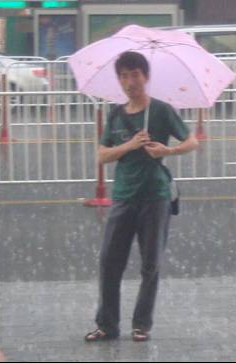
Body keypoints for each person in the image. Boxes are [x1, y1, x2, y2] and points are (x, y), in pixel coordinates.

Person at [84, 51, 201, 343]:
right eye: (123, 76)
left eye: (135, 74)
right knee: (110, 262)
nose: (129, 82)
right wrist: (130, 144)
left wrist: (167, 151)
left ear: (145, 77)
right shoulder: (116, 114)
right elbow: (101, 155)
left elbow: (191, 141)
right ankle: (107, 324)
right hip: (123, 196)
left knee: (151, 264)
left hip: (155, 197)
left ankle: (141, 325)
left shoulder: (161, 111)